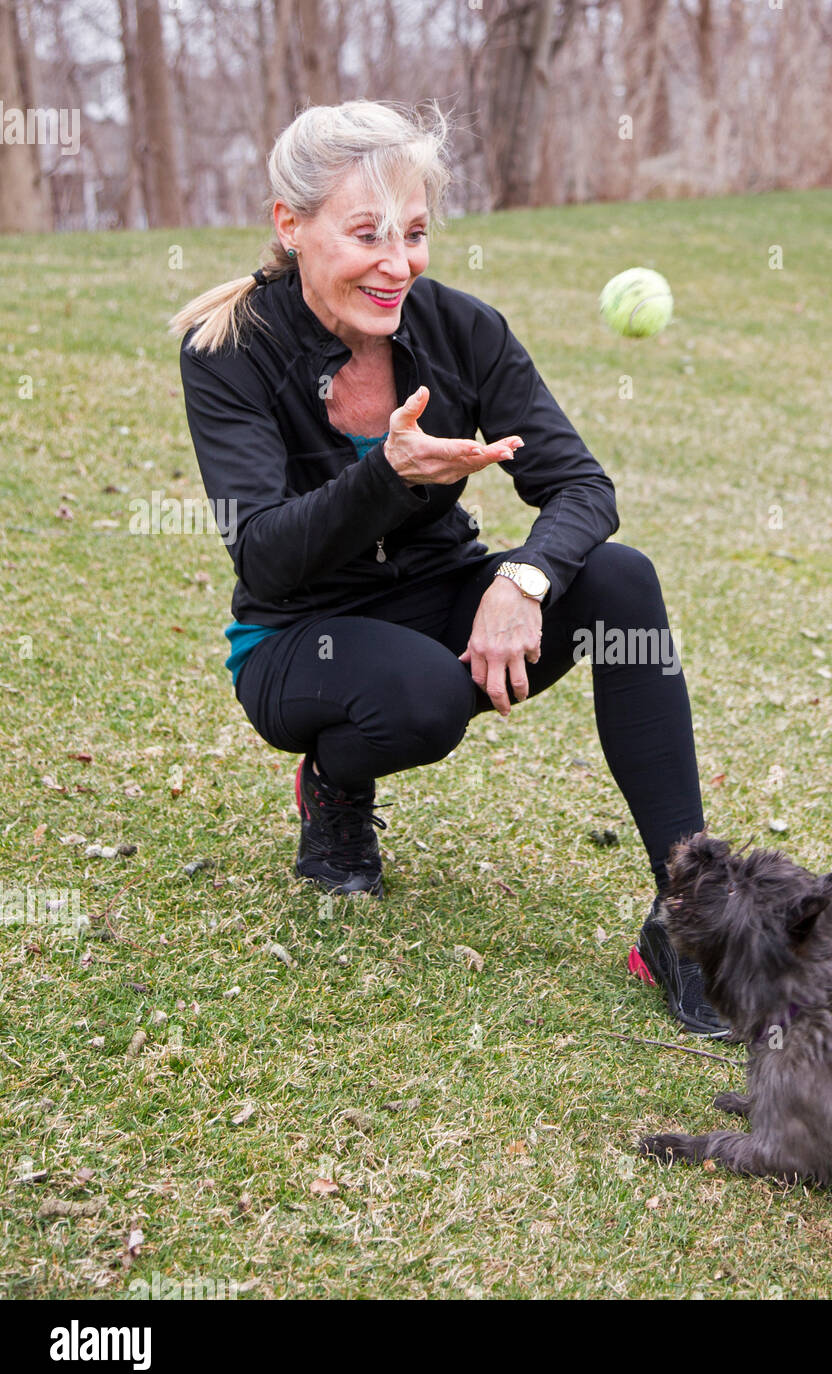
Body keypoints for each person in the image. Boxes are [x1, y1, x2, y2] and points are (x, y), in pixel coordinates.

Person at [170, 101, 723, 1035]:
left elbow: (582, 486)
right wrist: (382, 474)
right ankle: (335, 788)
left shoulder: (462, 330)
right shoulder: (227, 353)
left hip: (442, 597)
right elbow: (263, 549)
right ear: (289, 224)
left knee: (622, 579)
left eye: (416, 233)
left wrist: (524, 581)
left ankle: (690, 920)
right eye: (367, 235)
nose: (398, 264)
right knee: (421, 697)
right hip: (299, 635)